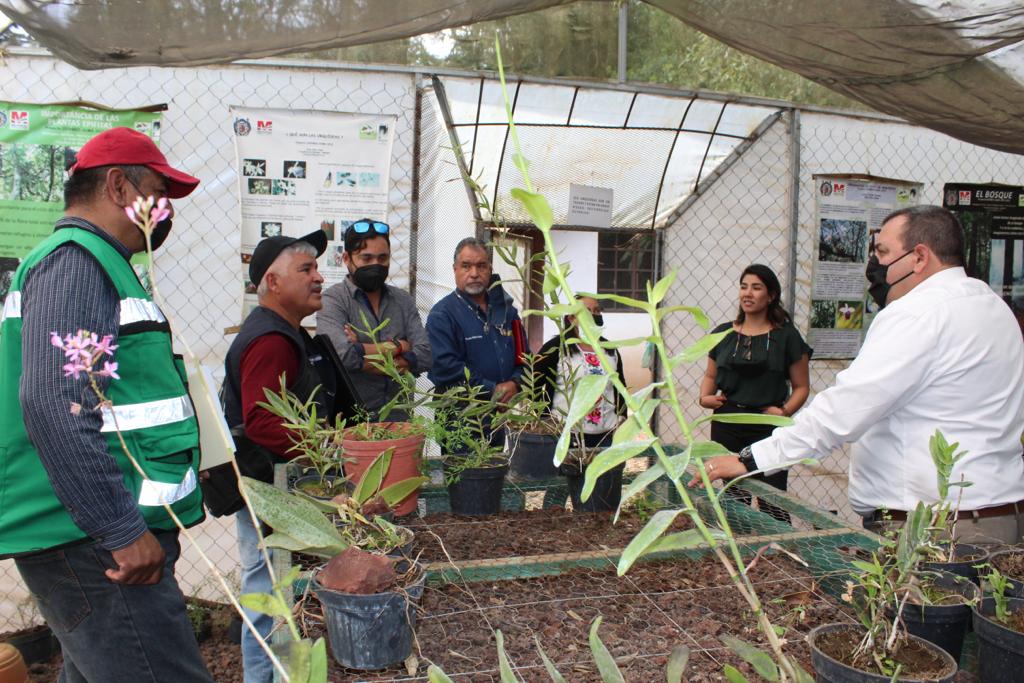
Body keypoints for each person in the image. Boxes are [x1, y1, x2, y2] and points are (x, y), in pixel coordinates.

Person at [0, 127, 213, 681]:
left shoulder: (101, 263)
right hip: (95, 545)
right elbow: (55, 403)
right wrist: (119, 529)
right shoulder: (75, 263)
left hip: (93, 539)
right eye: (160, 194)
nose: (167, 211)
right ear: (119, 185)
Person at [700, 206, 1024, 545]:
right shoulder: (993, 307)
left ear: (919, 257)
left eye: (883, 252)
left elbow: (845, 410)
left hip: (936, 527)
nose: (875, 266)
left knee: (917, 601)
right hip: (998, 514)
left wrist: (752, 458)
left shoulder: (918, 313)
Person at [221, 229, 340, 683]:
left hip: (273, 487)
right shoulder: (270, 340)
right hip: (270, 489)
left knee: (271, 592)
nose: (318, 277)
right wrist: (325, 448)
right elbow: (262, 421)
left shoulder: (283, 333)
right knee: (269, 595)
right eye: (306, 270)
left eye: (316, 268)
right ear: (272, 281)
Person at [699, 264, 811, 522]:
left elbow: (802, 387)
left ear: (770, 296)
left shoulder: (787, 337)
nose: (748, 293)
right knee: (732, 495)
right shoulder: (723, 333)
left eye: (756, 287)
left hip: (767, 427)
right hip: (728, 424)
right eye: (744, 286)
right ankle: (735, 550)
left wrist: (783, 412)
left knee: (773, 497)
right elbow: (710, 376)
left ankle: (777, 550)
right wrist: (705, 397)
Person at [317, 219, 431, 421]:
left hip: (399, 420)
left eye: (382, 258)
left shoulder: (402, 300)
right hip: (352, 424)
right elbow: (343, 357)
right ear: (346, 259)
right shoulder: (333, 300)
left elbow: (425, 355)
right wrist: (399, 346)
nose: (375, 265)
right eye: (366, 258)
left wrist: (362, 348)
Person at [426, 237, 526, 444]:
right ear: (454, 269)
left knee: (495, 469)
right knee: (462, 473)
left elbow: (525, 357)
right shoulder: (442, 315)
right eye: (466, 266)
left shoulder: (507, 311)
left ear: (490, 269)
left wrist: (514, 384)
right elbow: (445, 368)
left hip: (498, 416)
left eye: (481, 266)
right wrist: (493, 389)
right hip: (460, 419)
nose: (474, 273)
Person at [536, 295, 626, 449]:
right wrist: (544, 420)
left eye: (597, 311)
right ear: (571, 318)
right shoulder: (555, 349)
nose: (593, 315)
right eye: (586, 311)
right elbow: (535, 385)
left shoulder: (610, 349)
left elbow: (621, 387)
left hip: (607, 436)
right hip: (565, 435)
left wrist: (622, 418)